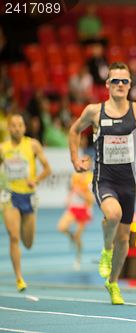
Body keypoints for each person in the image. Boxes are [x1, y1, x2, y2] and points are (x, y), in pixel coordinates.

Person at [68, 62, 136, 305]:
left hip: (128, 183)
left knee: (124, 239)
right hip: (104, 179)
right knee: (112, 215)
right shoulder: (95, 111)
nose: (121, 85)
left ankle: (113, 282)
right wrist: (75, 159)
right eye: (116, 81)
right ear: (107, 85)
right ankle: (106, 250)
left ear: (130, 85)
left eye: (125, 81)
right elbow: (74, 131)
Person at [0, 114, 51, 291]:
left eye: (20, 125)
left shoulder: (33, 145)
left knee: (27, 243)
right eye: (13, 125)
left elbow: (47, 168)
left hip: (28, 196)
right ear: (9, 128)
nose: (17, 128)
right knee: (14, 237)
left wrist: (35, 180)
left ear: (24, 127)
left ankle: (22, 227)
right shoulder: (2, 148)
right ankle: (19, 278)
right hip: (9, 196)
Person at [57, 167, 94, 271]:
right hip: (73, 207)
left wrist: (81, 193)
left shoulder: (91, 178)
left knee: (78, 236)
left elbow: (91, 199)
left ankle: (78, 258)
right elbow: (72, 189)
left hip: (84, 209)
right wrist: (68, 199)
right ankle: (71, 237)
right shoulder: (75, 176)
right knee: (61, 227)